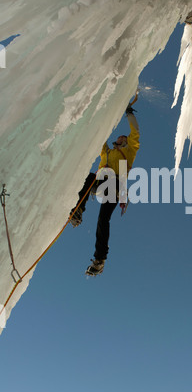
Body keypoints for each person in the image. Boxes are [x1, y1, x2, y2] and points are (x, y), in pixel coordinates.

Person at [69, 98, 140, 277]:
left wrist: (129, 113)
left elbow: (135, 132)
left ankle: (99, 259)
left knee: (103, 220)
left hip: (114, 186)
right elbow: (99, 138)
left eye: (124, 138)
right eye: (120, 137)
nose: (122, 138)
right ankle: (79, 210)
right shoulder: (107, 152)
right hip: (101, 183)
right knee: (88, 178)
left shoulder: (129, 151)